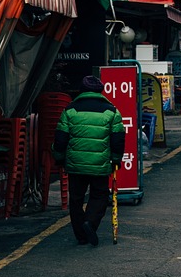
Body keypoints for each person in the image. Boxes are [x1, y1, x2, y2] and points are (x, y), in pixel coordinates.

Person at [53, 75, 126, 246]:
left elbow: (60, 139)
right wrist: (116, 159)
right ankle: (90, 223)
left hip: (75, 164)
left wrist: (59, 158)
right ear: (101, 91)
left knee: (76, 198)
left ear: (82, 90)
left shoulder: (70, 110)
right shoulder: (112, 111)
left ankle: (81, 235)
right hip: (100, 164)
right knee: (99, 195)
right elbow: (118, 139)